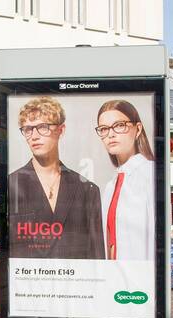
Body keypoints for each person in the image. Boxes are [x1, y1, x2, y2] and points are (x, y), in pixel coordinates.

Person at [7, 96, 105, 260]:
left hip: (76, 283)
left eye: (43, 127)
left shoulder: (87, 190)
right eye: (28, 129)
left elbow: (97, 256)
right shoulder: (11, 185)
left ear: (61, 130)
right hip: (29, 283)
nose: (34, 136)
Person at [96, 99, 155, 262]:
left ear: (137, 129)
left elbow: (155, 238)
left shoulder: (150, 173)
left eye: (119, 125)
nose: (111, 134)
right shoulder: (111, 185)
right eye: (104, 129)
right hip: (115, 277)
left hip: (140, 278)